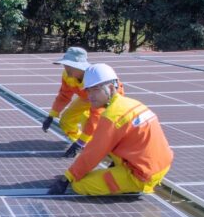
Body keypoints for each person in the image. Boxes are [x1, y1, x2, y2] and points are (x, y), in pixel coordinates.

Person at [47, 64, 174, 195]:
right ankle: (122, 171)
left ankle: (133, 186)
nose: (90, 96)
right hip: (160, 164)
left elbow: (94, 152)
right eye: (88, 91)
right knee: (102, 137)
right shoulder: (131, 103)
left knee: (80, 185)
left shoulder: (112, 116)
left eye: (96, 90)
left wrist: (67, 178)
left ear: (111, 88)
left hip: (142, 174)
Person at [42, 47, 123, 158]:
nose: (66, 68)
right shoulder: (67, 76)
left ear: (79, 67)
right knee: (66, 121)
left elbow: (96, 115)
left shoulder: (96, 79)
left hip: (107, 99)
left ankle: (105, 150)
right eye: (65, 65)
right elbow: (64, 95)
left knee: (94, 123)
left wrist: (81, 142)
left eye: (69, 66)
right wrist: (51, 115)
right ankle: (84, 145)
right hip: (86, 97)